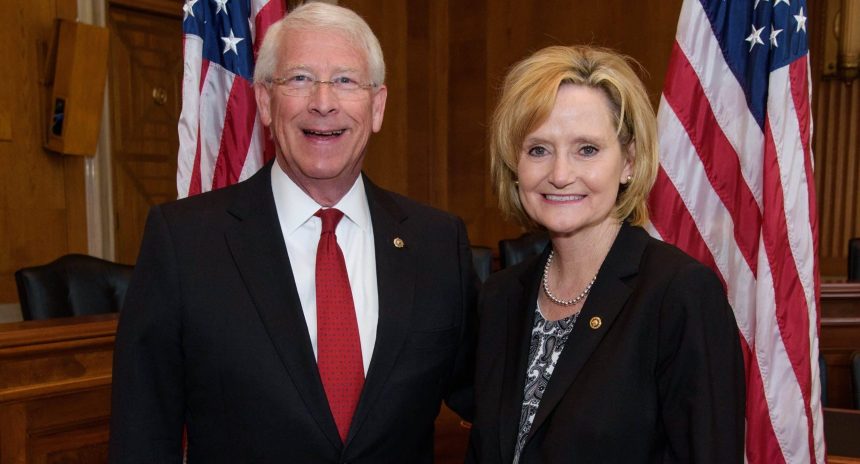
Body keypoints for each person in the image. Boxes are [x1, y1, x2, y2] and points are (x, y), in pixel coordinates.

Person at [108, 3, 476, 462]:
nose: (324, 102)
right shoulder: (184, 243)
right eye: (299, 79)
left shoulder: (439, 244)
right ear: (264, 101)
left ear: (377, 105)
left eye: (345, 80)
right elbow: (142, 437)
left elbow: (491, 404)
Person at [466, 45, 745, 463]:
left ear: (629, 162)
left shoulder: (679, 295)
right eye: (538, 149)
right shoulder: (500, 297)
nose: (560, 174)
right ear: (515, 165)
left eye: (587, 149)